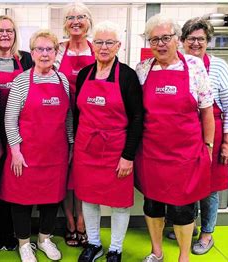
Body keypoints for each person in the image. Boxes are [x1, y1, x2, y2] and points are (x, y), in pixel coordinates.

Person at [135, 14, 215, 262]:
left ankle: (183, 257)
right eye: (155, 39)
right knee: (152, 206)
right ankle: (156, 252)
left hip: (186, 154)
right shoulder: (143, 69)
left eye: (166, 38)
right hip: (151, 152)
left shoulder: (193, 66)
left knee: (183, 209)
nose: (160, 44)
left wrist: (208, 147)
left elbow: (207, 110)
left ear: (177, 39)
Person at [73, 21, 143, 262]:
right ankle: (94, 244)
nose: (104, 47)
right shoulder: (84, 75)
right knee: (89, 198)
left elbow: (137, 118)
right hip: (87, 148)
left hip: (116, 150)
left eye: (109, 43)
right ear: (93, 46)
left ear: (118, 46)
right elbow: (76, 114)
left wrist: (128, 156)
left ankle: (115, 248)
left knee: (119, 203)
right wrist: (75, 145)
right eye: (100, 42)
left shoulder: (127, 76)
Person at [0, 29, 73, 262]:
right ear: (32, 53)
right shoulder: (21, 81)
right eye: (39, 49)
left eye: (49, 49)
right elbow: (10, 119)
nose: (44, 54)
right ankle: (24, 244)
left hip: (56, 153)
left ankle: (44, 239)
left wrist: (70, 144)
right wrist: (16, 151)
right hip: (26, 154)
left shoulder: (62, 80)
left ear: (56, 51)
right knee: (21, 200)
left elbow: (68, 116)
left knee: (52, 197)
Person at [181, 17, 228, 255]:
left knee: (210, 187)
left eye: (201, 39)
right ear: (182, 41)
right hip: (184, 135)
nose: (196, 43)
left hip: (211, 133)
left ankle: (207, 233)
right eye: (191, 38)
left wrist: (226, 143)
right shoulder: (177, 64)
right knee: (188, 183)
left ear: (208, 41)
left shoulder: (218, 67)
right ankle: (189, 226)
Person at [0, 14, 33, 252]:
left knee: (15, 184)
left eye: (10, 31)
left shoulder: (25, 61)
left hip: (19, 134)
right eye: (0, 30)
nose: (5, 34)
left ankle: (17, 233)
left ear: (15, 35)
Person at [54, 2, 95, 247]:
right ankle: (69, 220)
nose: (76, 21)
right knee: (64, 172)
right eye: (70, 17)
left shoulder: (97, 49)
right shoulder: (57, 50)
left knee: (84, 174)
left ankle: (83, 220)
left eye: (81, 17)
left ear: (88, 21)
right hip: (59, 120)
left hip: (90, 120)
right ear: (65, 23)